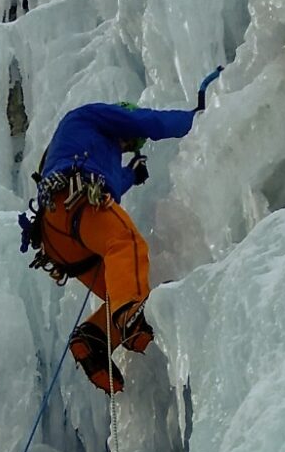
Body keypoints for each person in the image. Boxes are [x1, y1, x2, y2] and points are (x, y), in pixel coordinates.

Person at [20, 73, 222, 393]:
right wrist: (196, 118)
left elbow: (110, 185)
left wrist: (131, 175)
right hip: (74, 199)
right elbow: (148, 122)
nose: (127, 144)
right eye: (129, 140)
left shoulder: (91, 146)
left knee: (133, 284)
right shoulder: (93, 116)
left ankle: (96, 337)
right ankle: (127, 321)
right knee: (126, 245)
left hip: (58, 240)